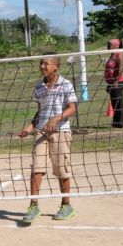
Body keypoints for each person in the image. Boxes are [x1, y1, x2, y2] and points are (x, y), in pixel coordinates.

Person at [17, 56, 78, 225]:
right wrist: (29, 127)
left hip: (60, 132)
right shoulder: (39, 86)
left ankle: (66, 205)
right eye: (41, 63)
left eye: (46, 63)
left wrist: (56, 119)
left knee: (62, 170)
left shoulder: (66, 84)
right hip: (40, 133)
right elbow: (40, 112)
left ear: (56, 67)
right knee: (36, 169)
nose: (42, 65)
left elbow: (72, 108)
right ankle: (33, 206)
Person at [105, 38, 123, 129]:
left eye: (110, 44)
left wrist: (115, 81)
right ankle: (116, 122)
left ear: (116, 45)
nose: (108, 46)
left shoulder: (119, 55)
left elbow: (121, 69)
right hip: (111, 82)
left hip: (118, 81)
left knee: (118, 102)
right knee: (114, 102)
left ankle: (120, 122)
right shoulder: (111, 55)